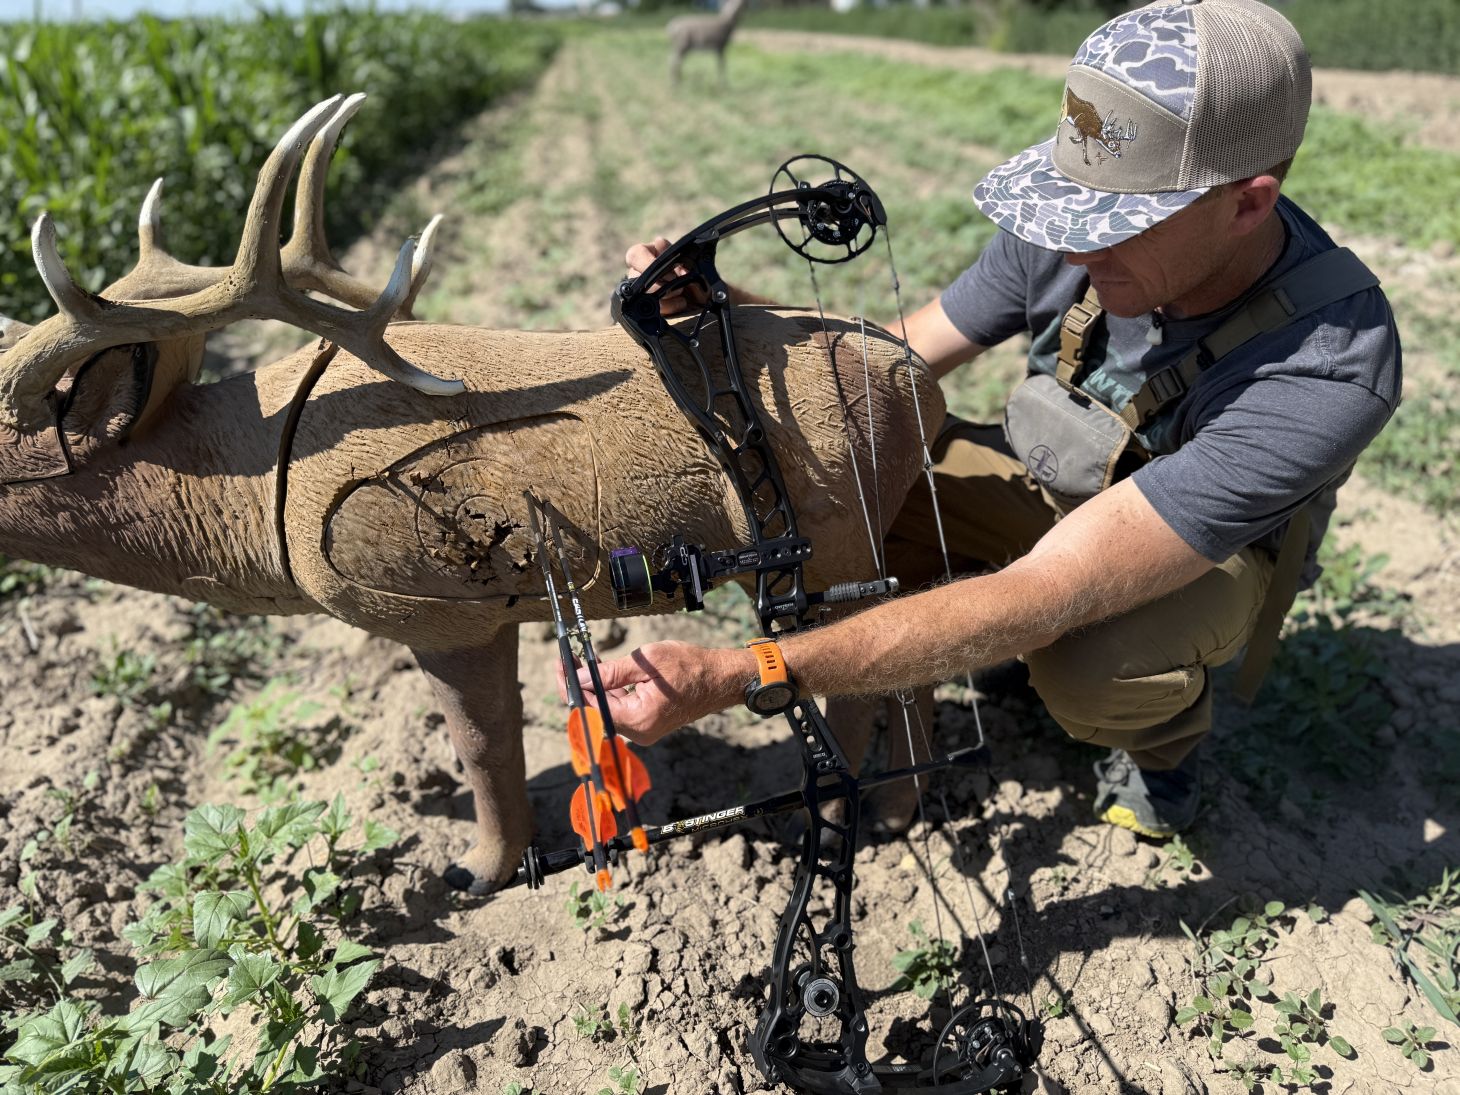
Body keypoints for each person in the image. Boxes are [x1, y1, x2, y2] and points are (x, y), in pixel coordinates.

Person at [588, 0, 1401, 839]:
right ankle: (938, 657)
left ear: (1248, 203)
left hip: (1203, 555)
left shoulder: (1327, 361)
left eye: (1119, 224)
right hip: (1064, 483)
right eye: (1073, 207)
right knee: (861, 474)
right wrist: (727, 311)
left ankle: (1163, 744)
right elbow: (890, 362)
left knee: (1086, 662)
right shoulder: (1076, 228)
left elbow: (1056, 586)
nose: (1078, 248)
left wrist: (749, 671)